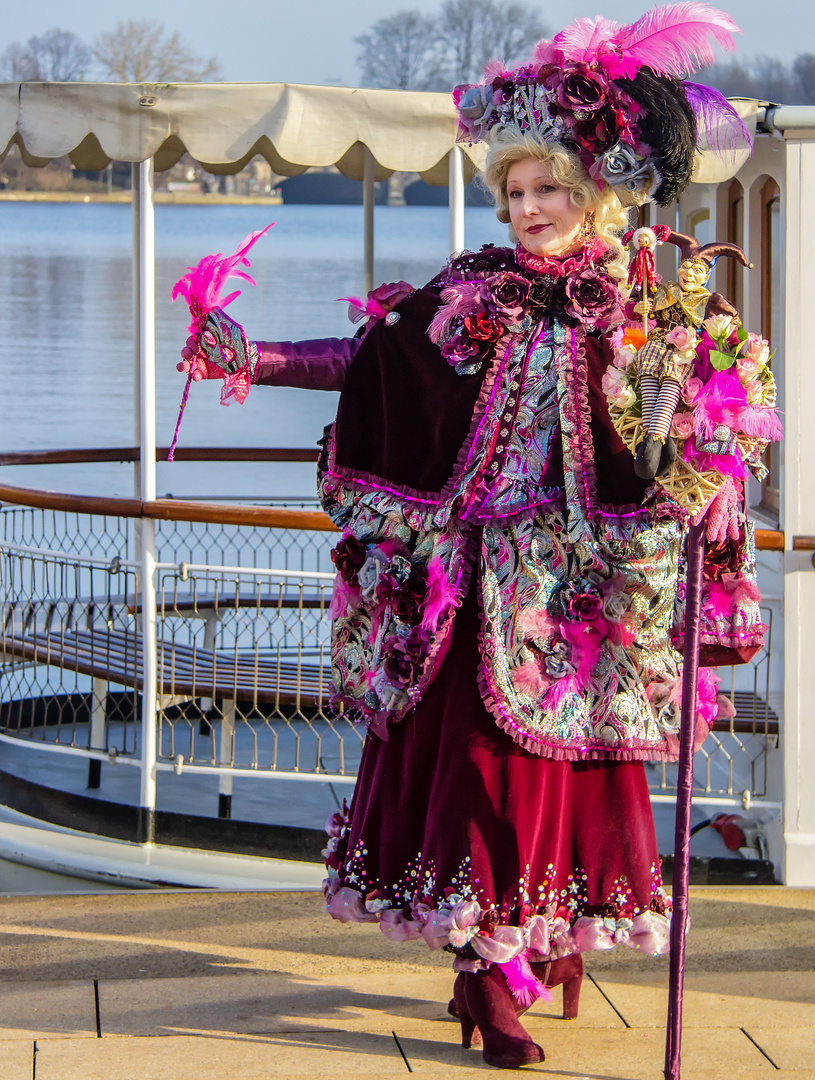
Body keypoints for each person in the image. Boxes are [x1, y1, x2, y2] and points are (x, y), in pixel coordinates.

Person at [178, 7, 775, 1069]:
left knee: (576, 778)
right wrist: (253, 357)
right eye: (514, 192)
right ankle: (483, 976)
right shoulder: (469, 295)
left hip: (589, 596)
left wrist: (710, 467)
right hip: (472, 590)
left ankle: (552, 937)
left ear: (593, 194)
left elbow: (717, 413)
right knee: (481, 782)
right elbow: (365, 362)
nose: (530, 209)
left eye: (548, 189)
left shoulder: (650, 303)